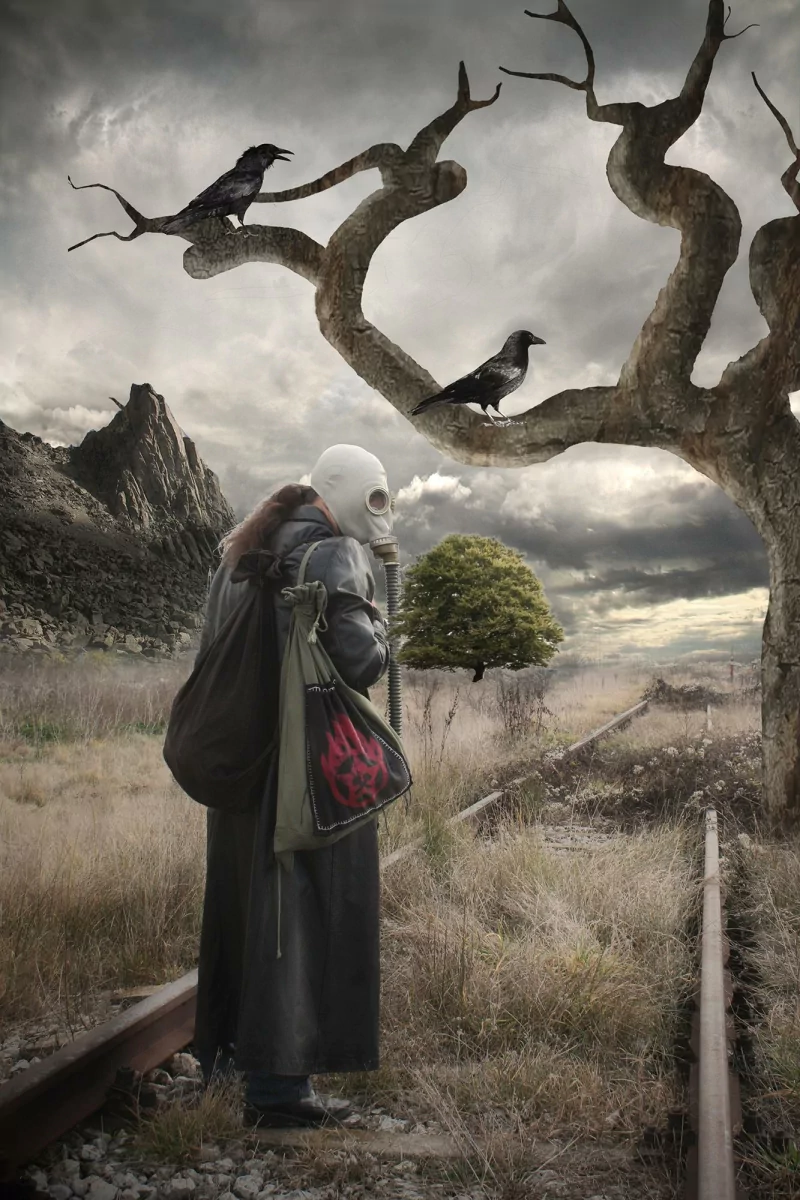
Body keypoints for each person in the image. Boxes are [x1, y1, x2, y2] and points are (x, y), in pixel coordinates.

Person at [192, 444, 394, 1129]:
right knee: (299, 916)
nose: (380, 509)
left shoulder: (238, 556)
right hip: (307, 772)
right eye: (375, 495)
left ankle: (223, 1061)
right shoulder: (334, 554)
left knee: (240, 909)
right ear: (344, 492)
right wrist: (381, 620)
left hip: (241, 765)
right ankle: (278, 1092)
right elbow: (362, 663)